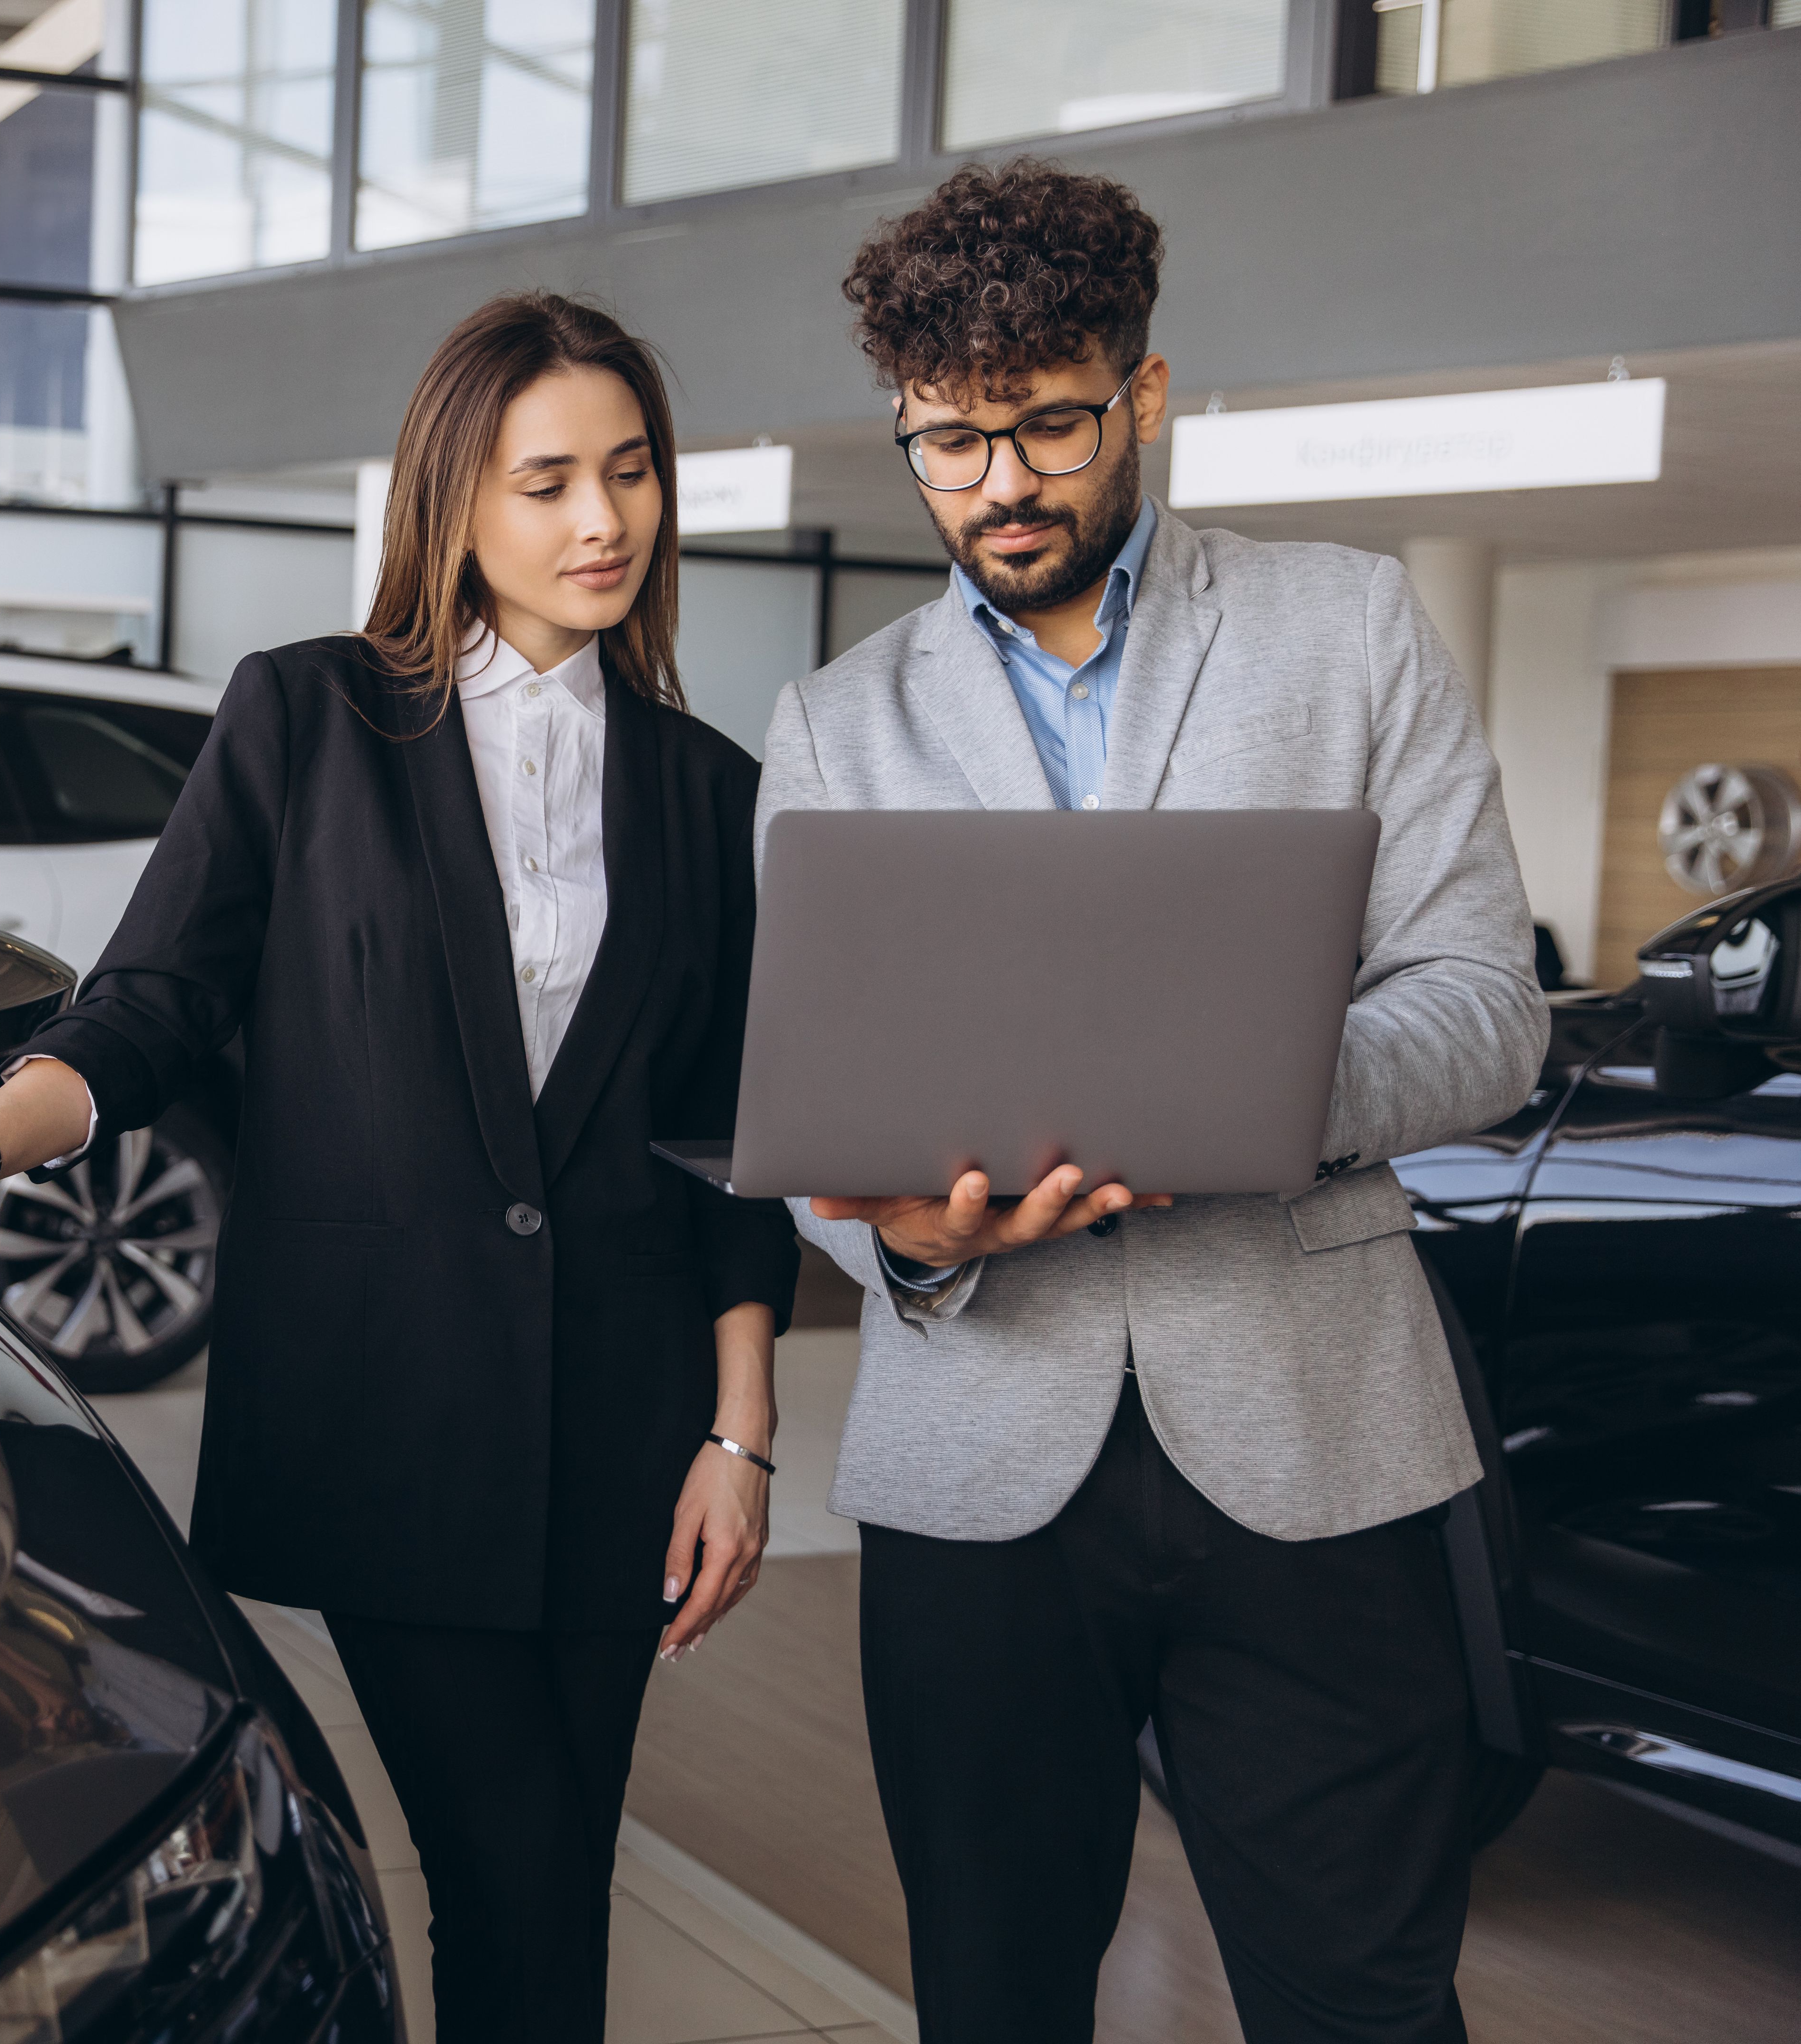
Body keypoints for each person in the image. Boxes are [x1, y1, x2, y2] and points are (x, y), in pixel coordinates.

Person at [0, 291, 797, 2042]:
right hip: (388, 1415)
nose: (603, 521)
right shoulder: (310, 721)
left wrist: (741, 1434)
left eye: (633, 473)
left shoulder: (711, 788)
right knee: (510, 1871)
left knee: (554, 1898)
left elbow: (733, 1134)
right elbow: (151, 1009)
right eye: (547, 482)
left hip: (628, 1434)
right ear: (452, 504)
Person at [761, 161, 1548, 2043]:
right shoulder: (833, 725)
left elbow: (1484, 1014)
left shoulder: (1348, 629)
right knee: (997, 1999)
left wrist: (1242, 1093)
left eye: (1046, 423)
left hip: (1316, 1450)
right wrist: (912, 1240)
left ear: (1147, 391)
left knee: (1362, 1995)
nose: (1000, 486)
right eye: (948, 444)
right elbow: (806, 1113)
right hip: (978, 1463)